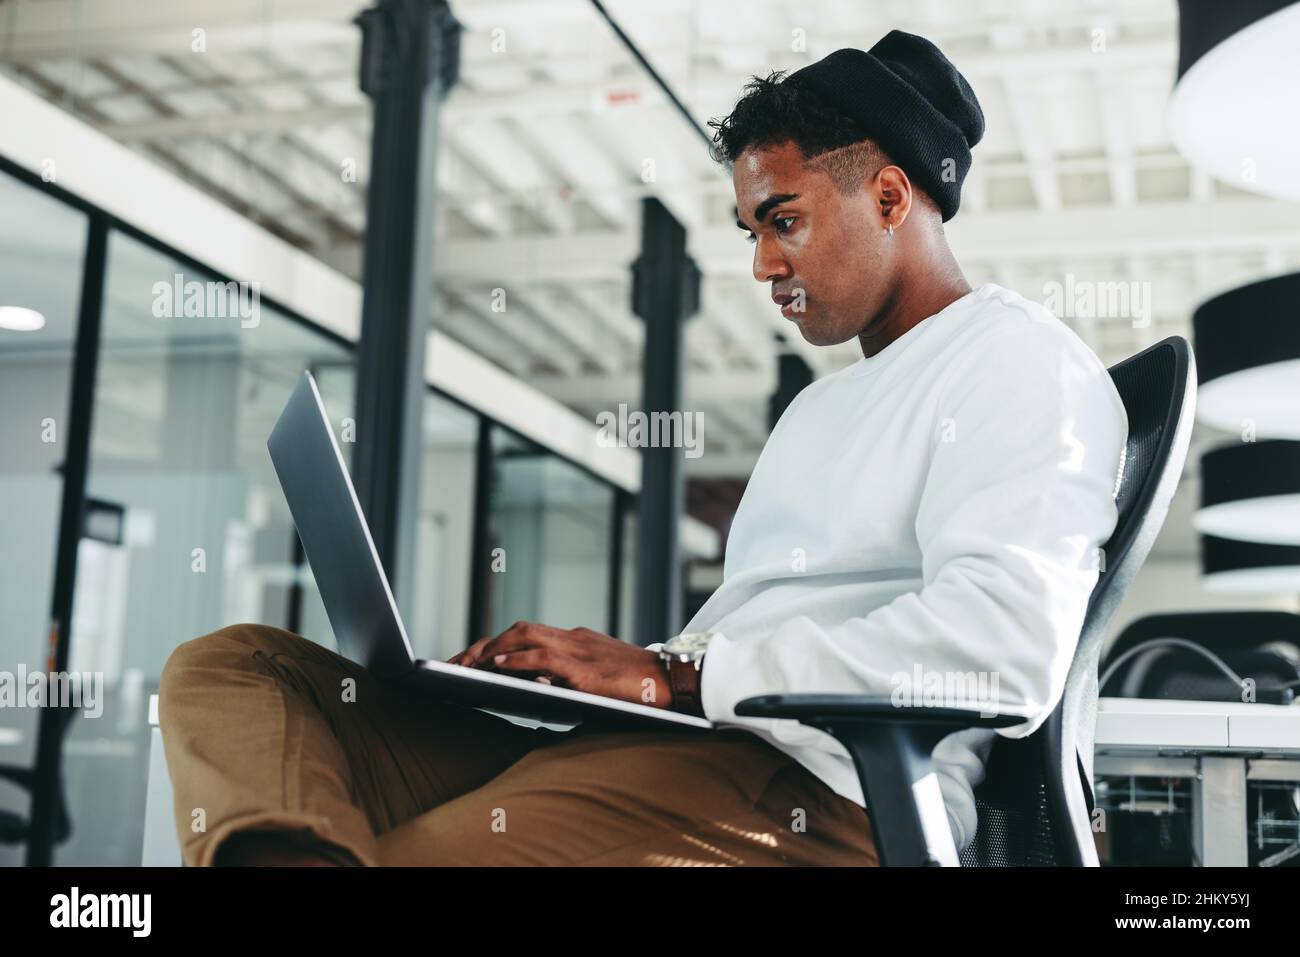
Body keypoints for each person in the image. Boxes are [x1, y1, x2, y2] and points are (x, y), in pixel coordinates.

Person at [158, 29, 1126, 867]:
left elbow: (998, 653)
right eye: (750, 230)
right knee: (239, 669)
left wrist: (678, 677)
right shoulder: (820, 414)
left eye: (782, 220)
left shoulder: (1021, 365)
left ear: (886, 198)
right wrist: (618, 672)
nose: (761, 266)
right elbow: (741, 638)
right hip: (675, 752)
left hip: (818, 799)